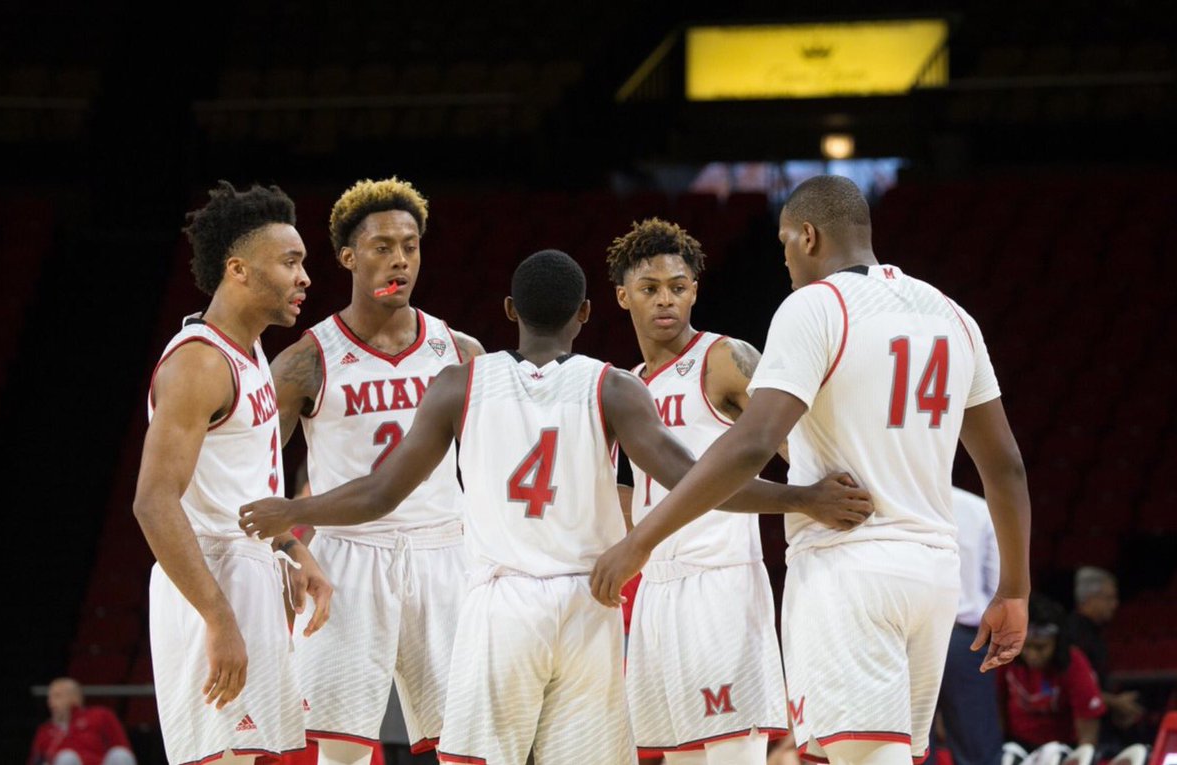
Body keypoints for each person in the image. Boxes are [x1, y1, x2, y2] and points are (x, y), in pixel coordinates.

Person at [240, 249, 872, 765]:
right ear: (589, 312)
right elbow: (696, 482)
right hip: (587, 604)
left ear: (511, 310)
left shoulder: (459, 382)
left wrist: (295, 513)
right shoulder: (616, 387)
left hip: (499, 605)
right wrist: (802, 497)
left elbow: (380, 493)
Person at [591, 175, 1033, 765]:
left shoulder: (813, 307)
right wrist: (1016, 589)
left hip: (849, 567)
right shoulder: (953, 315)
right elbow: (1005, 468)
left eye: (784, 247)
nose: (785, 263)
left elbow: (750, 446)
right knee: (853, 755)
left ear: (807, 236)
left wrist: (640, 541)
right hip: (933, 574)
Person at [266, 177, 483, 765]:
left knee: (470, 742)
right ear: (346, 257)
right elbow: (256, 474)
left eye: (410, 246)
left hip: (446, 550)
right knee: (339, 752)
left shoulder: (461, 352)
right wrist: (287, 548)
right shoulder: (306, 361)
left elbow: (496, 468)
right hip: (347, 555)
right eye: (383, 246)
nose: (400, 260)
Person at [607, 218, 827, 764]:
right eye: (650, 289)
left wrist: (814, 505)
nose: (666, 301)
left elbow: (802, 453)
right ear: (622, 296)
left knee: (735, 756)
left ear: (695, 290)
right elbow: (630, 498)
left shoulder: (725, 359)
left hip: (720, 584)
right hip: (655, 590)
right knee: (677, 757)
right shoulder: (627, 383)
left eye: (678, 288)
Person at [133, 181, 332, 765]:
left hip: (246, 573)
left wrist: (296, 552)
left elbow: (242, 490)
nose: (305, 278)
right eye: (290, 261)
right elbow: (153, 502)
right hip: (212, 581)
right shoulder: (200, 361)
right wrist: (218, 617)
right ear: (239, 269)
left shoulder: (246, 355)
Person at [928, 487, 1002, 765]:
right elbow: (997, 586)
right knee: (976, 746)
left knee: (911, 745)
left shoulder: (895, 498)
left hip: (909, 634)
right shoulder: (978, 508)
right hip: (966, 638)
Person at [997, 596, 1105, 749]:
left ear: (1057, 642)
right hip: (1017, 745)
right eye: (1026, 647)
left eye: (1040, 647)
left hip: (1062, 748)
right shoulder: (1006, 656)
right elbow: (996, 702)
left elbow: (1088, 735)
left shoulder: (1074, 663)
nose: (1032, 655)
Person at [1066, 568, 1145, 736]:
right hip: (1079, 729)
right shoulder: (1074, 636)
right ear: (1090, 599)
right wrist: (1116, 703)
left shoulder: (1093, 633)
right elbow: (1074, 688)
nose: (1115, 604)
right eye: (1109, 598)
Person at [27, 678, 135, 765]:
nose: (50, 702)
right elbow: (34, 761)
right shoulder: (45, 730)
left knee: (120, 754)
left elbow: (123, 747)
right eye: (49, 698)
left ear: (74, 698)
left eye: (57, 696)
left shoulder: (100, 716)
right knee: (67, 757)